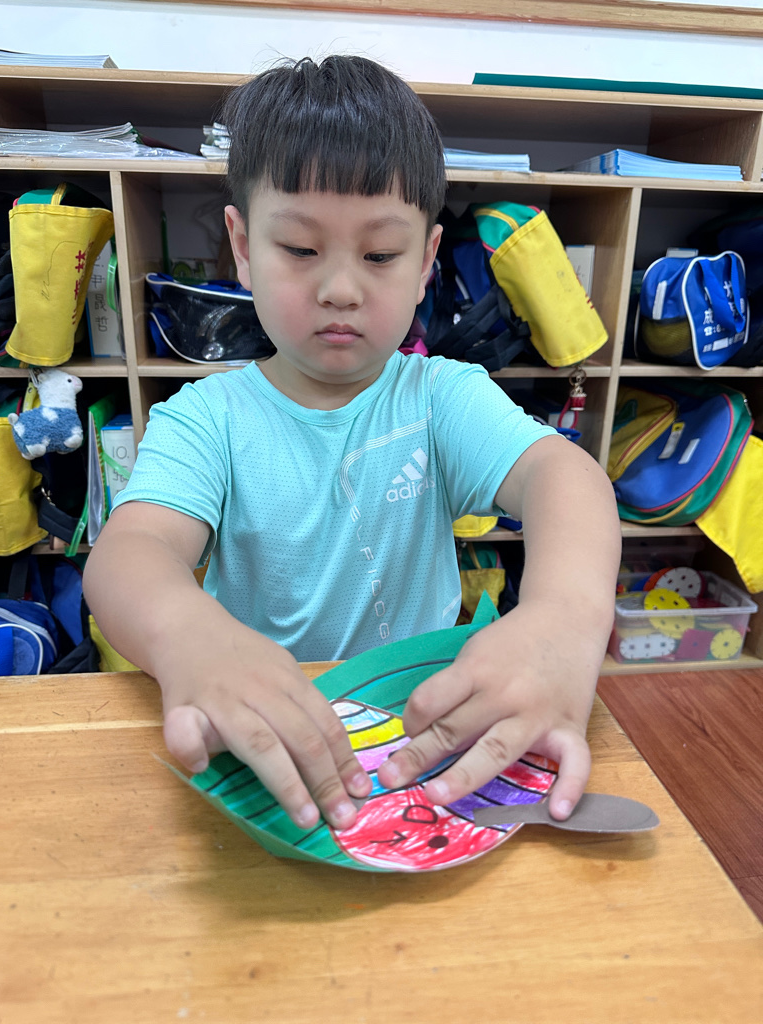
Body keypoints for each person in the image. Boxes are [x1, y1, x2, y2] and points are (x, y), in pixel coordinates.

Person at [83, 55, 620, 837]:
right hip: (265, 745)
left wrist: (565, 618)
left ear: (427, 261)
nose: (340, 289)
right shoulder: (205, 417)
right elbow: (130, 554)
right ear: (242, 246)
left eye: (379, 255)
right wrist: (187, 637)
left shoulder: (440, 396)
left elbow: (563, 476)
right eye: (301, 250)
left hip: (418, 741)